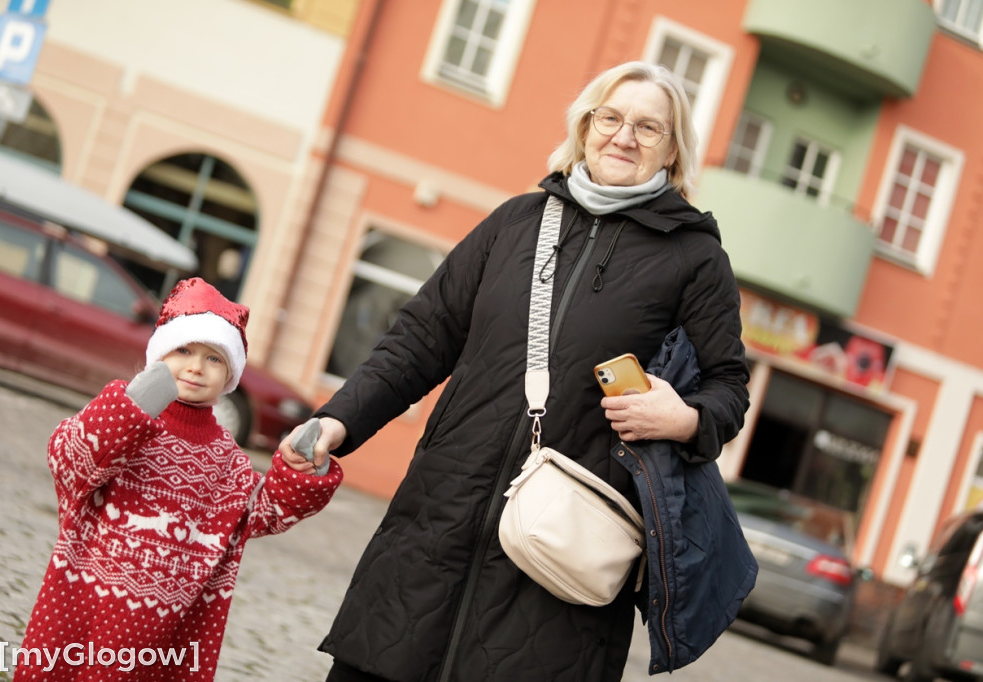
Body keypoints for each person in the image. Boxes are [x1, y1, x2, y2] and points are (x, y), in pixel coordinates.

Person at [280, 60, 750, 682]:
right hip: (442, 511)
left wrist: (684, 418)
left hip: (562, 549)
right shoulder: (517, 222)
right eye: (610, 117)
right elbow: (421, 339)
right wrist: (338, 420)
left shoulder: (694, 258)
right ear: (584, 126)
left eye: (648, 128)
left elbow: (729, 390)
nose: (624, 136)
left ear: (672, 151)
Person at [15, 277, 343, 681]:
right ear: (160, 353)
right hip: (85, 608)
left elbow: (259, 514)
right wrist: (129, 409)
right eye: (184, 349)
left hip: (170, 633)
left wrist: (299, 472)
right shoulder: (124, 423)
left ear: (230, 376)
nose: (195, 366)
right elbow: (70, 464)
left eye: (214, 358)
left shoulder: (228, 460)